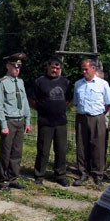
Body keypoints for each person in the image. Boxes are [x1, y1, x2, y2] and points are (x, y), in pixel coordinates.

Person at [29, 58, 71, 187]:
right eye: (53, 68)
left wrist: (59, 108)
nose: (54, 70)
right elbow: (32, 100)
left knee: (61, 150)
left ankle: (60, 175)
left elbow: (68, 99)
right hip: (45, 122)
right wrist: (43, 109)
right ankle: (39, 175)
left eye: (57, 68)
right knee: (43, 150)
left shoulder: (65, 82)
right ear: (48, 67)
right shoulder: (39, 82)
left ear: (60, 69)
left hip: (60, 122)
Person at [72, 59, 110, 187]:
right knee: (81, 146)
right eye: (82, 69)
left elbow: (108, 103)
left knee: (98, 146)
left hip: (97, 117)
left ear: (94, 69)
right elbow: (76, 102)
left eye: (86, 69)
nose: (84, 72)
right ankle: (83, 173)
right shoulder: (78, 84)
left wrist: (99, 114)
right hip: (82, 117)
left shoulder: (103, 84)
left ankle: (98, 174)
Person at [0, 53, 31, 191]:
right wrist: (3, 124)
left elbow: (25, 102)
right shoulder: (2, 82)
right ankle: (3, 181)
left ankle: (13, 178)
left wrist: (27, 121)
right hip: (9, 122)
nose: (17, 69)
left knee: (17, 152)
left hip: (20, 121)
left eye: (19, 67)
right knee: (6, 152)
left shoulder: (20, 82)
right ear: (8, 66)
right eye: (15, 66)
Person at [95, 69, 110, 177]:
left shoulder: (108, 91)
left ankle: (101, 169)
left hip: (102, 123)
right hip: (89, 122)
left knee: (101, 147)